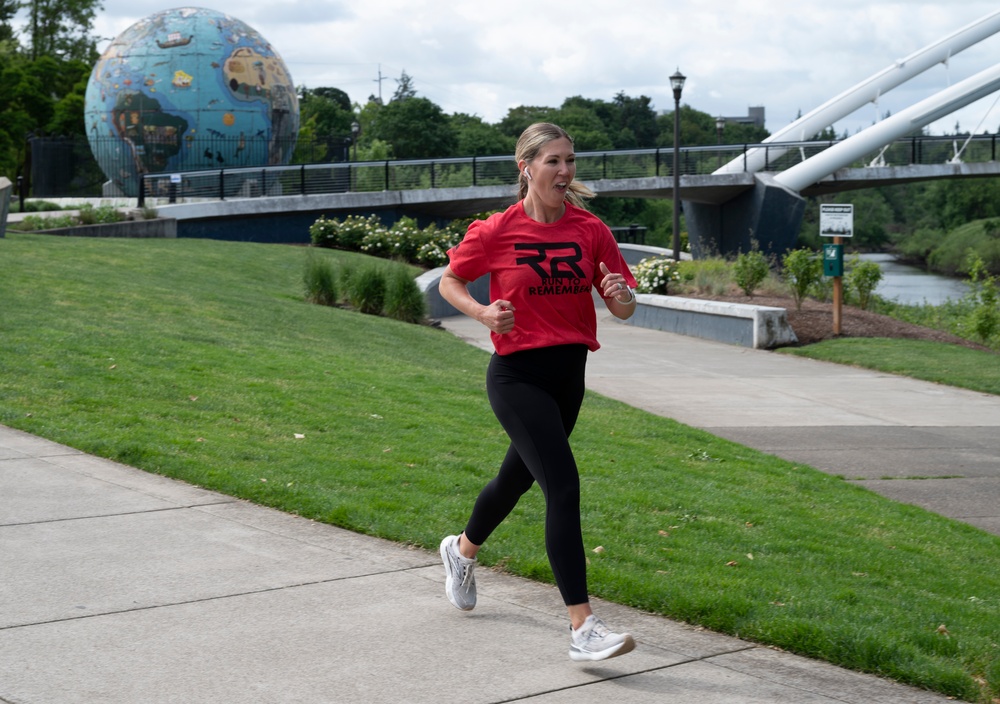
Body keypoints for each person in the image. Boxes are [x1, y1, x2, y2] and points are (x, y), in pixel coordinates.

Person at [438, 122, 639, 662]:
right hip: (517, 375)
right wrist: (482, 311)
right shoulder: (497, 230)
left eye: (571, 160)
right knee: (564, 486)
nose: (566, 171)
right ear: (525, 166)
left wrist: (620, 295)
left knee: (514, 480)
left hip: (568, 377)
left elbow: (622, 305)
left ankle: (461, 550)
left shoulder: (590, 230)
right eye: (554, 161)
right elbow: (449, 281)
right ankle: (582, 627)